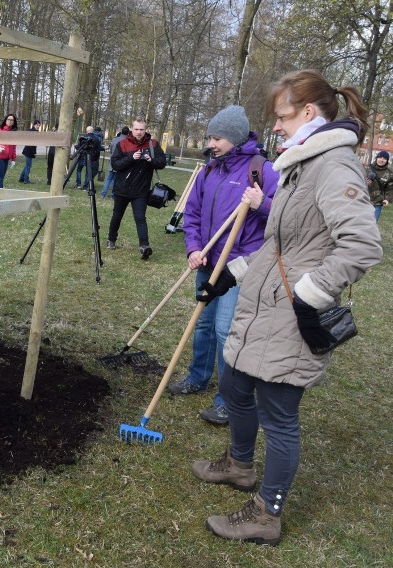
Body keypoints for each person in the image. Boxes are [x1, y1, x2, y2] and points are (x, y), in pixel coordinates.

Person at [191, 70, 382, 545]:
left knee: (278, 416)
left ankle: (266, 514)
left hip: (291, 316)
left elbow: (361, 245)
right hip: (261, 305)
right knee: (234, 385)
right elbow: (279, 244)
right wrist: (229, 277)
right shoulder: (300, 165)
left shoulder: (335, 166)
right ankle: (237, 465)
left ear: (309, 114)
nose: (274, 126)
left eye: (282, 116)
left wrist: (308, 294)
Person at [165, 106, 278, 426]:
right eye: (210, 137)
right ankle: (197, 377)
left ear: (235, 138)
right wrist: (194, 248)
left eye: (217, 138)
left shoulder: (263, 171)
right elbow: (194, 214)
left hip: (238, 268)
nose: (211, 143)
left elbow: (286, 218)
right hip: (207, 261)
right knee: (202, 323)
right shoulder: (209, 170)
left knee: (226, 330)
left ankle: (228, 400)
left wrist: (262, 204)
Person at [107, 118, 167, 259]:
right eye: (136, 129)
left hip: (141, 190)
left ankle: (144, 246)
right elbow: (115, 164)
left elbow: (162, 162)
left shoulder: (153, 144)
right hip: (122, 188)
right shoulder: (123, 144)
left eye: (141, 129)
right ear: (132, 130)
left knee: (140, 217)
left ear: (145, 130)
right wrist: (131, 158)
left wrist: (151, 160)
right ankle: (111, 240)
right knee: (117, 216)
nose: (139, 132)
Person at [101, 126, 129, 198]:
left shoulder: (115, 139)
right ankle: (113, 195)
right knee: (116, 180)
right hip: (121, 163)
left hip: (113, 161)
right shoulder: (128, 141)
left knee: (109, 179)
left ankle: (103, 194)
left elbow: (111, 150)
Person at [365, 149, 391, 221]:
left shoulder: (389, 173)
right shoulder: (367, 168)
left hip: (377, 203)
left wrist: (387, 199)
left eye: (384, 158)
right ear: (376, 158)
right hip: (363, 200)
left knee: (372, 224)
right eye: (380, 157)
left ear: (387, 160)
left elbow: (390, 188)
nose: (382, 160)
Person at [18, 119, 41, 183]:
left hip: (29, 151)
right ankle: (26, 179)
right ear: (34, 125)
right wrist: (34, 153)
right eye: (37, 125)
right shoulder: (32, 131)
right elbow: (31, 144)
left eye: (39, 125)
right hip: (28, 151)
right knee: (28, 166)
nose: (38, 126)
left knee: (27, 165)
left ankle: (21, 178)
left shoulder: (35, 132)